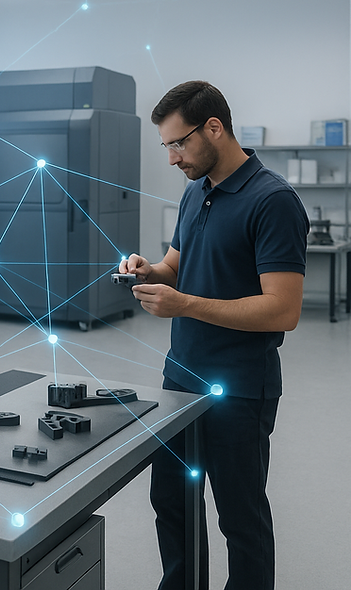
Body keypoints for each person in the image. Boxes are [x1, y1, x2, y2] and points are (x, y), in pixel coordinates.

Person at [120, 80, 308, 590]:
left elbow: (283, 309)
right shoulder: (194, 192)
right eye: (166, 146)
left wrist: (184, 305)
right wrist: (147, 271)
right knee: (172, 502)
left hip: (240, 388)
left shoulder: (273, 201)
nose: (172, 158)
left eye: (179, 144)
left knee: (240, 517)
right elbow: (175, 269)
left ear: (214, 128)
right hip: (181, 379)